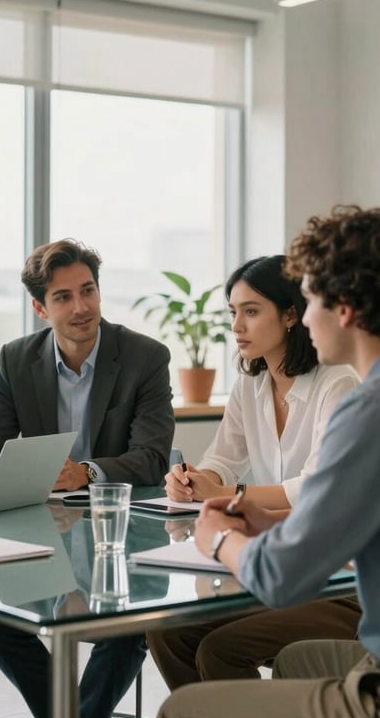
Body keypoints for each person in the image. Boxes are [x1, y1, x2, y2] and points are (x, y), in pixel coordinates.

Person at [157, 205, 380, 718]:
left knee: (182, 713)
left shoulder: (375, 407)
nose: (305, 314)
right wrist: (272, 523)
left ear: (343, 308)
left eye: (310, 299)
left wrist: (219, 538)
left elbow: (280, 580)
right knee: (291, 661)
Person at [0, 238, 175, 718]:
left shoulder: (145, 357)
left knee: (125, 633)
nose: (81, 307)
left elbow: (151, 459)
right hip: (43, 538)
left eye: (89, 291)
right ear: (40, 307)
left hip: (119, 538)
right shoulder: (17, 359)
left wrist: (87, 472)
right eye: (63, 297)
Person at [148, 255, 361, 686]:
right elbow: (223, 458)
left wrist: (229, 494)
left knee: (219, 650)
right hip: (282, 561)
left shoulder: (337, 382)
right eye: (233, 312)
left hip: (343, 580)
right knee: (167, 630)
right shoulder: (252, 382)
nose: (236, 326)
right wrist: (195, 480)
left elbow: (316, 489)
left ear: (289, 315)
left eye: (250, 311)